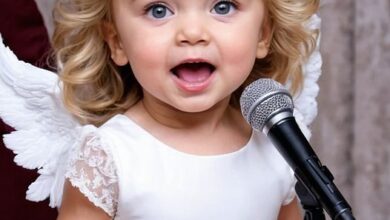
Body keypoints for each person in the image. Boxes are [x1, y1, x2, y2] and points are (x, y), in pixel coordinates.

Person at [0, 0, 322, 219]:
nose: (193, 34)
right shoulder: (109, 157)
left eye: (222, 6)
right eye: (158, 10)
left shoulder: (273, 146)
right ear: (117, 42)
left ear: (263, 33)